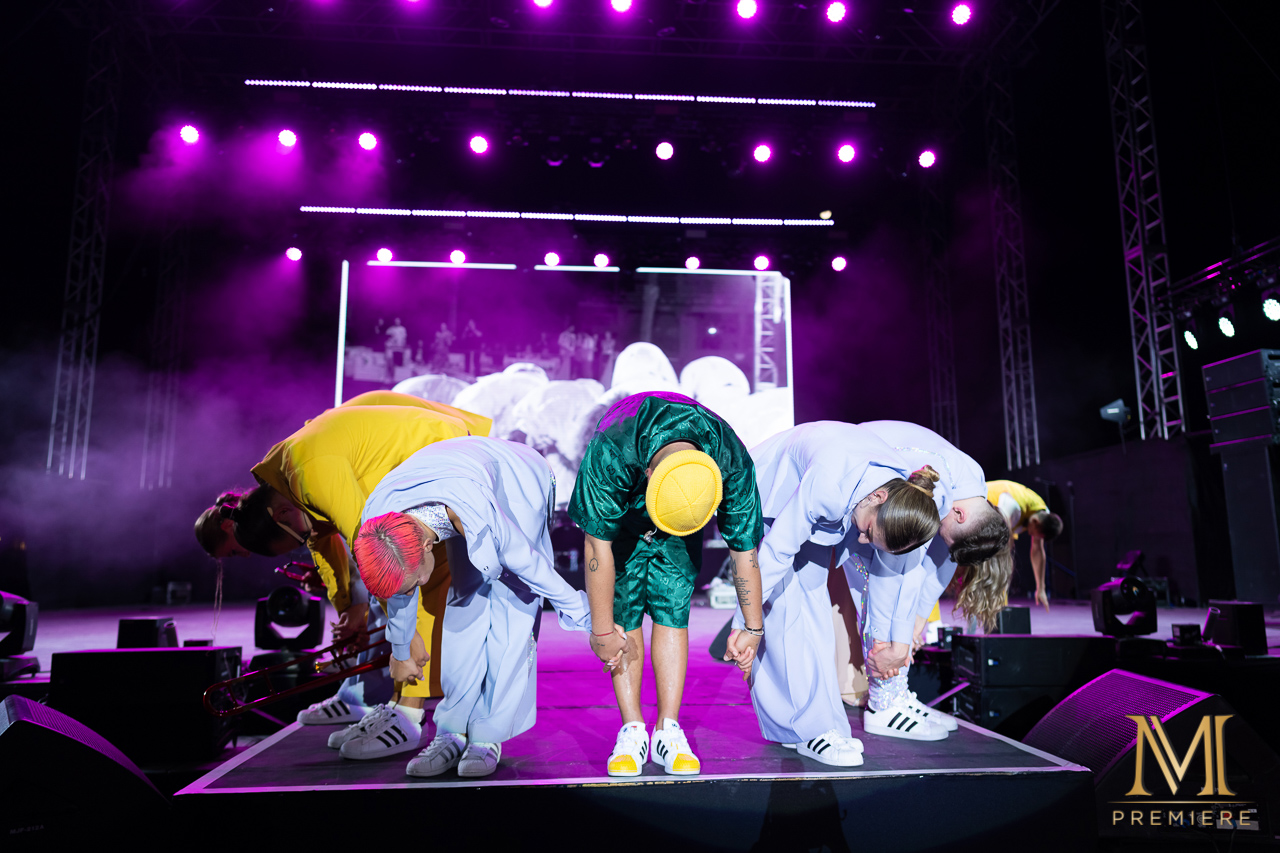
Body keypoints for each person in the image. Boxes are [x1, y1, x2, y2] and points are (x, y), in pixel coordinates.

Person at [192, 392, 491, 749]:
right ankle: (394, 704)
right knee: (397, 591)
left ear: (282, 515)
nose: (306, 540)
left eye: (298, 537)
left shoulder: (311, 472)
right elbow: (322, 542)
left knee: (418, 581)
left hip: (444, 455)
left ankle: (408, 715)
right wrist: (350, 608)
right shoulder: (285, 481)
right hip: (426, 459)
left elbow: (376, 549)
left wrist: (404, 635)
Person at [353, 436, 591, 778]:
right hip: (455, 477)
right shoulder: (377, 529)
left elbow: (533, 567)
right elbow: (399, 590)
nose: (418, 587)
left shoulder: (476, 514)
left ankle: (487, 735)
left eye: (416, 581)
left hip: (516, 476)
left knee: (515, 603)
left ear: (425, 546)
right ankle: (451, 730)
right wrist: (401, 650)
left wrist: (589, 619)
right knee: (464, 600)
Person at [569, 391, 764, 778]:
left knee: (672, 605)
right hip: (623, 518)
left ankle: (667, 730)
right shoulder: (612, 449)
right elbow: (596, 546)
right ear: (647, 475)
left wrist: (753, 628)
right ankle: (633, 728)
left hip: (681, 519)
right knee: (624, 610)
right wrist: (602, 631)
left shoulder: (730, 460)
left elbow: (745, 551)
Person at [743, 422, 943, 765]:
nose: (861, 540)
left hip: (821, 498)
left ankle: (823, 724)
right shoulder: (830, 483)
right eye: (867, 531)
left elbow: (891, 581)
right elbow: (775, 552)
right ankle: (805, 729)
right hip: (765, 488)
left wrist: (892, 642)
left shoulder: (896, 494)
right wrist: (746, 623)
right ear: (878, 498)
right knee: (785, 610)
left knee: (817, 615)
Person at [834, 420, 1011, 741]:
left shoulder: (972, 489)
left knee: (900, 613)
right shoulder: (936, 490)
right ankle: (883, 705)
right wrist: (895, 645)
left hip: (880, 503)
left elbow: (942, 559)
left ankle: (895, 694)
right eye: (951, 538)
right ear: (959, 515)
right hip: (852, 501)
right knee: (875, 591)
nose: (946, 541)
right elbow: (892, 573)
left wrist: (917, 623)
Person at [987, 480, 1063, 612]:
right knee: (999, 561)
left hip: (997, 519)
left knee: (1004, 563)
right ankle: (992, 606)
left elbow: (1037, 550)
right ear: (1035, 522)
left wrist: (1041, 588)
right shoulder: (1012, 507)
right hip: (980, 503)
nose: (1030, 534)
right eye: (1033, 532)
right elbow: (1001, 541)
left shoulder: (1043, 513)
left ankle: (998, 607)